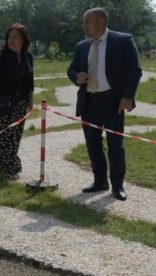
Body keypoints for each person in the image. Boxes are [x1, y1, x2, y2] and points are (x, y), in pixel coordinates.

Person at [67, 8, 142, 201]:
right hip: (89, 102)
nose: (83, 26)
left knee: (115, 145)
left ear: (100, 22)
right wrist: (77, 76)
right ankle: (100, 181)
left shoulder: (122, 41)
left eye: (86, 22)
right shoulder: (81, 46)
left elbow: (135, 70)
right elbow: (71, 69)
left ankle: (117, 186)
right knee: (93, 145)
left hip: (113, 102)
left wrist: (127, 97)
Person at [0, 23, 34, 180]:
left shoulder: (27, 57)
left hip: (21, 104)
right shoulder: (1, 57)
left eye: (16, 37)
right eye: (9, 37)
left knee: (15, 138)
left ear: (23, 40)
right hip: (2, 104)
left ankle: (1, 168)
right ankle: (11, 170)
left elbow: (30, 81)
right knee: (7, 138)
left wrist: (30, 99)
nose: (12, 40)